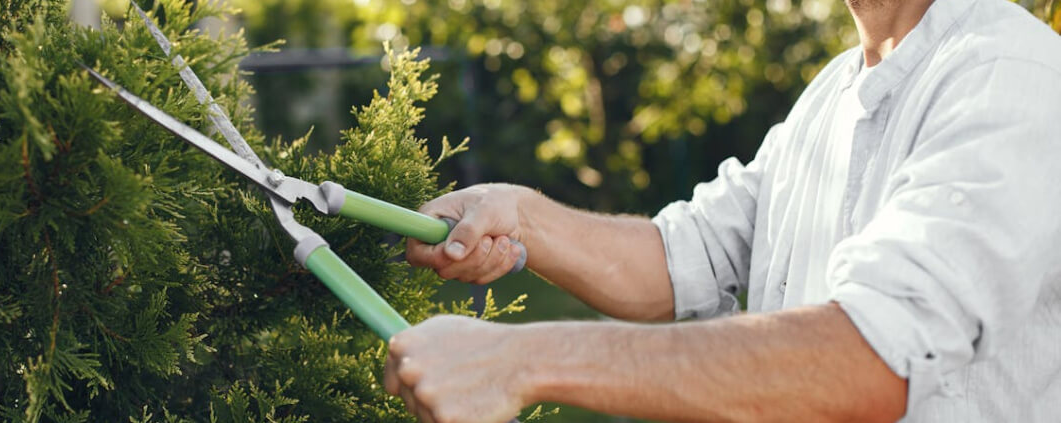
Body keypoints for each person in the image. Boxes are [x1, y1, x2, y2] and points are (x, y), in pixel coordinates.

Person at [382, 0, 1061, 422]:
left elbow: (870, 362)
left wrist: (517, 359)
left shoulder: (1010, 78)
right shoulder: (832, 92)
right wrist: (522, 214)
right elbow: (684, 257)